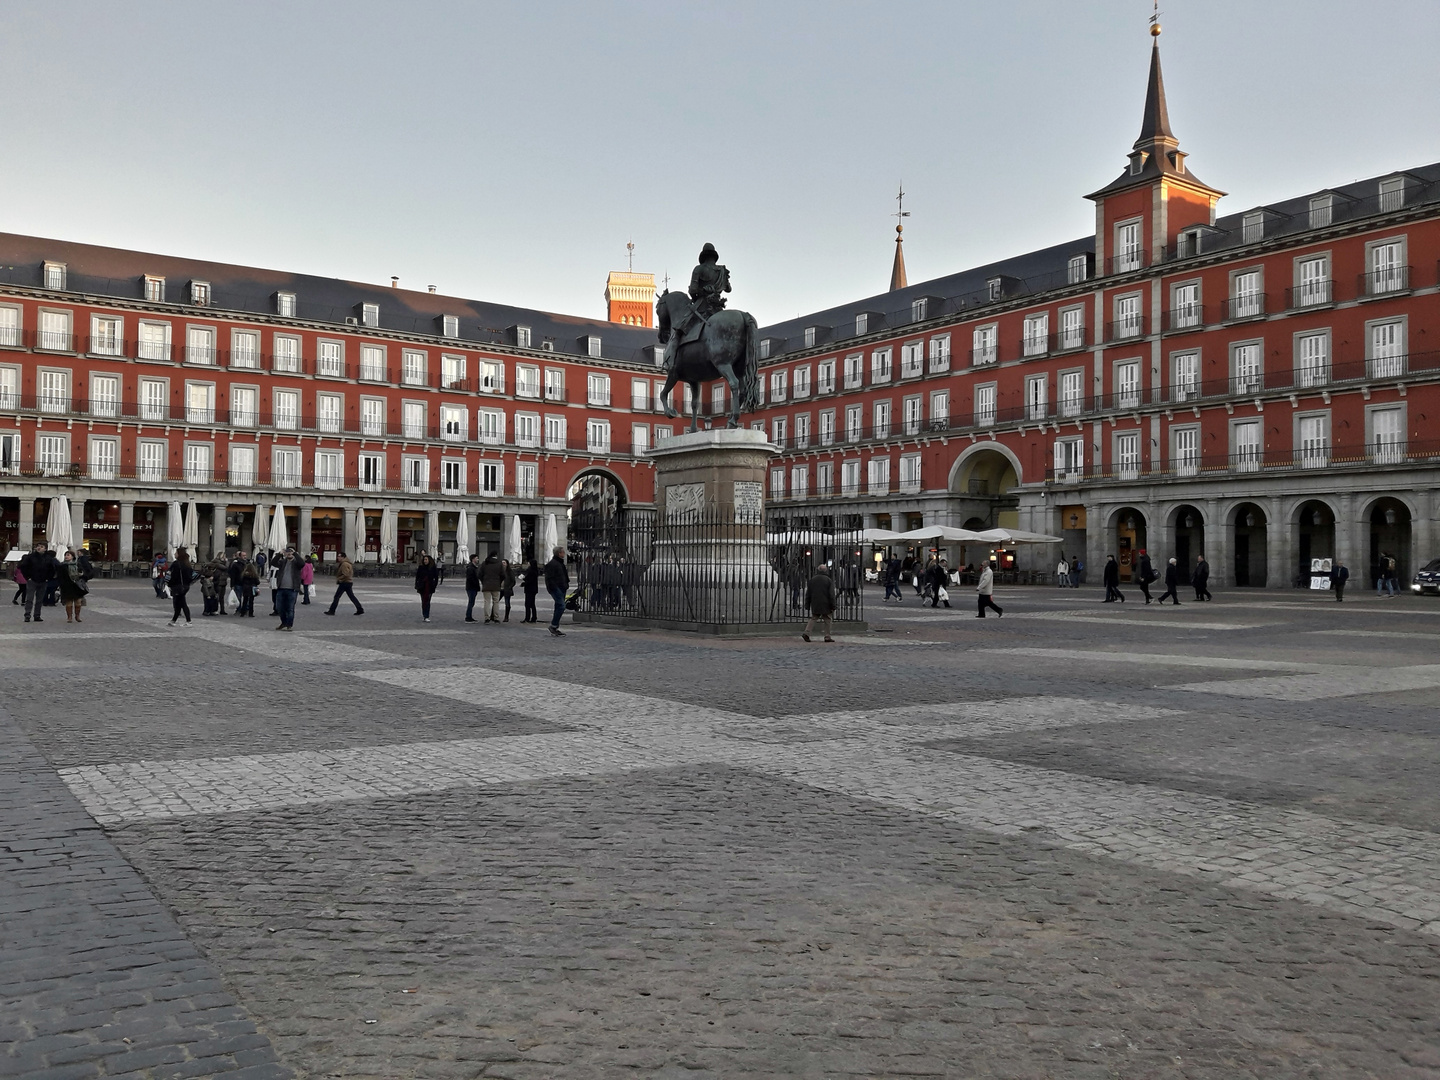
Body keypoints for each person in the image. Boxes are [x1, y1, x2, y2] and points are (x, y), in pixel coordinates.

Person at [19, 542, 56, 623]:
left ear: (45, 549)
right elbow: (23, 567)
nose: (39, 548)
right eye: (38, 546)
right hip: (32, 580)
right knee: (29, 599)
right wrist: (27, 577)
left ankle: (37, 615)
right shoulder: (30, 557)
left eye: (41, 546)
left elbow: (52, 569)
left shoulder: (48, 558)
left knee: (40, 599)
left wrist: (48, 578)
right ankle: (27, 615)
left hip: (43, 581)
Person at [271, 545, 304, 631]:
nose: (289, 553)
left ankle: (289, 625)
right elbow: (273, 563)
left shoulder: (296, 563)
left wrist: (295, 554)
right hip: (281, 588)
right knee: (279, 607)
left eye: (291, 551)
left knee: (290, 608)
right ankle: (284, 622)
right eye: (287, 551)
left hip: (292, 589)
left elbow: (302, 564)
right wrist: (280, 553)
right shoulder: (282, 562)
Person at [801, 564, 836, 642]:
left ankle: (807, 632)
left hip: (815, 602)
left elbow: (808, 593)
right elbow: (831, 594)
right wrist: (833, 605)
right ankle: (827, 636)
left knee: (814, 618)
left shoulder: (813, 579)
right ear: (826, 571)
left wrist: (807, 604)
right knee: (827, 619)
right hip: (826, 602)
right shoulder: (828, 580)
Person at [325, 551, 364, 615]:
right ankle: (360, 609)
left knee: (337, 597)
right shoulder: (347, 563)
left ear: (343, 557)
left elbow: (346, 574)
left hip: (344, 582)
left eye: (339, 556)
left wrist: (339, 579)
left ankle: (332, 611)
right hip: (348, 582)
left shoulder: (344, 564)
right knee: (351, 596)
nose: (338, 558)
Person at [166, 547, 196, 626]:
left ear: (179, 554)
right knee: (178, 603)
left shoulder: (176, 564)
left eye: (176, 553)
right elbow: (193, 576)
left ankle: (188, 621)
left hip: (177, 586)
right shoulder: (187, 564)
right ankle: (173, 621)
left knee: (182, 603)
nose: (175, 554)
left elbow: (170, 575)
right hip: (185, 586)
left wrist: (167, 583)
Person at [543, 546, 569, 636]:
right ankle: (553, 625)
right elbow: (549, 578)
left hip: (562, 587)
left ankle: (554, 627)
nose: (564, 554)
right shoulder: (552, 564)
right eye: (563, 552)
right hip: (556, 588)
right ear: (559, 553)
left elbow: (564, 575)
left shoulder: (560, 563)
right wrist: (553, 587)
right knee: (561, 606)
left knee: (558, 606)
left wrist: (566, 584)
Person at [57, 550, 88, 624]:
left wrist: (82, 575)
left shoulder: (78, 564)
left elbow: (85, 574)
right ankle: (69, 617)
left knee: (78, 602)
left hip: (77, 585)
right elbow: (60, 576)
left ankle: (77, 616)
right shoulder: (62, 565)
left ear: (72, 557)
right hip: (67, 586)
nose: (66, 556)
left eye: (68, 555)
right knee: (69, 602)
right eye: (65, 555)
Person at [479, 552, 505, 623]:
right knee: (496, 602)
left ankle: (487, 617)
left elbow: (480, 574)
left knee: (487, 601)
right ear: (496, 556)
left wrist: (483, 581)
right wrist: (499, 582)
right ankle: (496, 617)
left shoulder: (485, 563)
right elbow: (503, 575)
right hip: (496, 585)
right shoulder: (499, 564)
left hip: (486, 585)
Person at [414, 553, 440, 622]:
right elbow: (417, 577)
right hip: (422, 587)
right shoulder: (421, 567)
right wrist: (416, 585)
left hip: (430, 587)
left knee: (428, 601)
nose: (425, 561)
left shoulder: (433, 568)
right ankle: (424, 615)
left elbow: (436, 577)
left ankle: (426, 615)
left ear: (429, 560)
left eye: (426, 559)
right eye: (424, 559)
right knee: (423, 601)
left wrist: (434, 585)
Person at [463, 553, 482, 622]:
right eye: (477, 558)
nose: (478, 559)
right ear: (473, 559)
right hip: (471, 587)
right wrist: (476, 584)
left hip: (472, 587)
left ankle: (469, 616)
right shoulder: (471, 568)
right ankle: (468, 617)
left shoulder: (473, 567)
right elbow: (471, 578)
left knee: (471, 602)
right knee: (471, 602)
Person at [521, 558, 540, 623]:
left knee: (528, 604)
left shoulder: (531, 571)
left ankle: (527, 618)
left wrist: (524, 582)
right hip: (533, 589)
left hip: (530, 589)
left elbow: (529, 580)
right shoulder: (534, 570)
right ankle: (533, 617)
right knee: (532, 604)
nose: (528, 564)